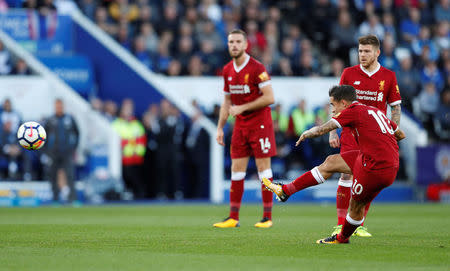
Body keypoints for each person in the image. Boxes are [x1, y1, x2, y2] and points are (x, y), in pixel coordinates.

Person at [262, 85, 405, 244]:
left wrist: (306, 133)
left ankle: (342, 238)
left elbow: (322, 129)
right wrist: (380, 143)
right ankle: (285, 190)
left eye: (333, 104)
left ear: (344, 103)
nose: (331, 109)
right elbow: (400, 134)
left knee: (356, 206)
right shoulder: (374, 111)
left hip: (376, 167)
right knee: (331, 162)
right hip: (382, 159)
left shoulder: (352, 111)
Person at [328, 34, 402, 237]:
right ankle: (340, 223)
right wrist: (333, 130)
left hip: (375, 137)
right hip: (351, 133)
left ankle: (358, 223)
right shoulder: (348, 73)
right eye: (360, 51)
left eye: (367, 51)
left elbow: (395, 108)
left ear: (377, 53)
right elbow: (336, 103)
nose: (362, 55)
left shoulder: (388, 76)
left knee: (367, 178)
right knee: (346, 173)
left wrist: (392, 130)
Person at [213, 29, 276, 228]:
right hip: (240, 125)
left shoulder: (257, 68)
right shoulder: (227, 70)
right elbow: (227, 102)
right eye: (231, 42)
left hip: (260, 124)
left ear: (246, 44)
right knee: (236, 170)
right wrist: (220, 128)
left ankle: (267, 217)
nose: (234, 45)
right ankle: (233, 217)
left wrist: (243, 107)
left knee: (263, 169)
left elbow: (270, 97)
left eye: (238, 41)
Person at [44, 99, 79, 203]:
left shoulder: (69, 119)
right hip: (54, 152)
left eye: (60, 106)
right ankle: (55, 198)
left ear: (63, 106)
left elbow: (77, 133)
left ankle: (72, 199)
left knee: (70, 175)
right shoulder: (50, 120)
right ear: (55, 107)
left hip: (67, 152)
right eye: (57, 106)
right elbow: (43, 135)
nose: (59, 108)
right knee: (53, 175)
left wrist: (74, 147)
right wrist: (46, 151)